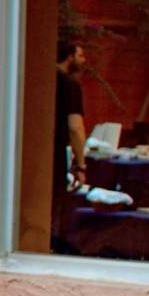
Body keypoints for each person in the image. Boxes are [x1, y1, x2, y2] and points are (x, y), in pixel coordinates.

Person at [56, 40, 88, 201]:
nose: (84, 60)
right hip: (57, 152)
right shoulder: (70, 85)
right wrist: (81, 165)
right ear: (70, 57)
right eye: (80, 56)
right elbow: (75, 127)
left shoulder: (44, 81)